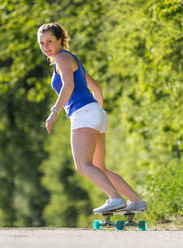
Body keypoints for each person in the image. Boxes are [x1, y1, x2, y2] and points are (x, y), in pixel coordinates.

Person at [37, 22, 146, 214]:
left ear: (60, 40)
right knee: (99, 167)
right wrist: (97, 114)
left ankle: (115, 199)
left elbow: (68, 86)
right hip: (95, 112)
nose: (46, 47)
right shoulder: (72, 59)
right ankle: (135, 201)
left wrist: (54, 111)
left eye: (49, 42)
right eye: (42, 43)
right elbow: (96, 88)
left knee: (83, 166)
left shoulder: (62, 58)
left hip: (84, 113)